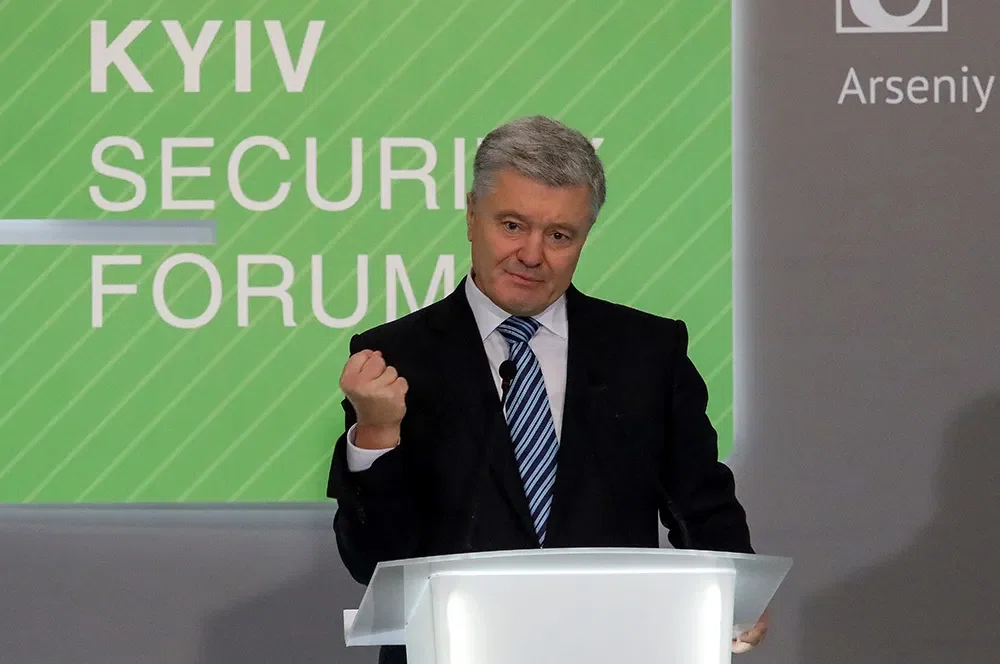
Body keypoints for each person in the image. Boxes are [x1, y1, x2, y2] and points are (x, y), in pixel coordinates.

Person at [327, 115, 769, 662]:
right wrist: (376, 433)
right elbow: (372, 561)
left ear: (585, 235)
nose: (532, 255)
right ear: (471, 214)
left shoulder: (647, 353)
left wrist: (737, 594)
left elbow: (701, 507)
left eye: (559, 235)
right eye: (512, 225)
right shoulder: (394, 357)